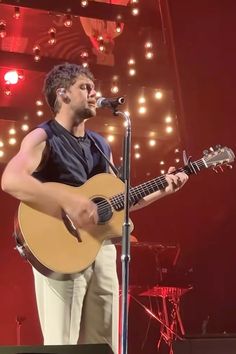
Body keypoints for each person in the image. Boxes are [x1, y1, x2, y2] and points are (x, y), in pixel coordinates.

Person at [1, 63, 188, 354]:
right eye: (84, 87)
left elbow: (119, 202)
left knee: (104, 344)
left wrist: (164, 188)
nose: (93, 93)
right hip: (59, 250)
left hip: (101, 249)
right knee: (63, 345)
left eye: (92, 88)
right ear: (62, 94)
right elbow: (11, 179)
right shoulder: (43, 136)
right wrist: (68, 201)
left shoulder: (100, 143)